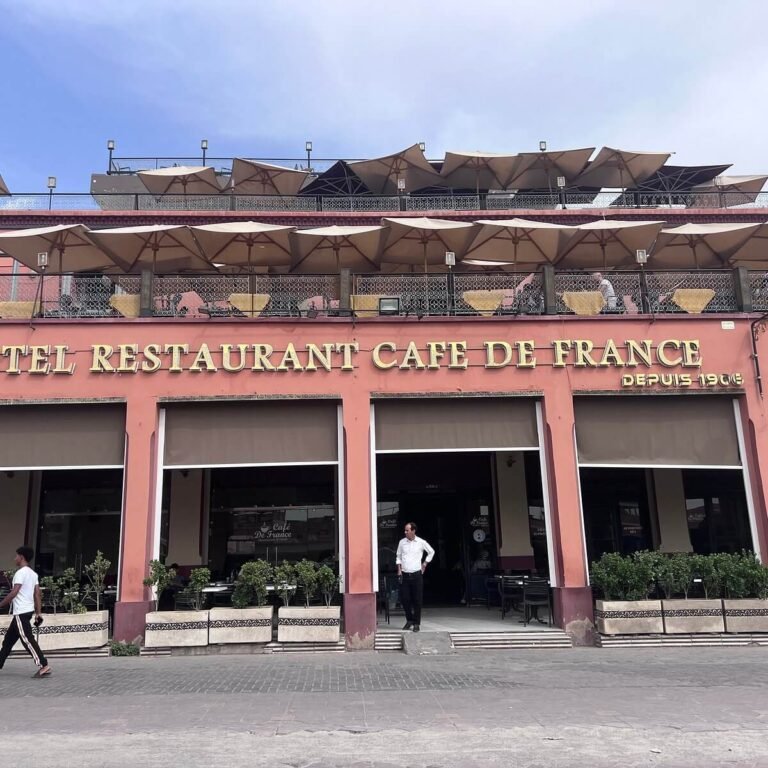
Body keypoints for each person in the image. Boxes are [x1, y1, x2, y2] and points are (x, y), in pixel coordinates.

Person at [0, 546, 51, 678]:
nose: (14, 558)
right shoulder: (33, 574)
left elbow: (14, 592)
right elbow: (37, 594)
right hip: (27, 611)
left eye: (16, 556)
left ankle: (43, 665)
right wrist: (38, 613)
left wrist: (1, 604)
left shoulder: (20, 573)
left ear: (22, 557)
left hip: (21, 612)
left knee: (27, 639)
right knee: (8, 641)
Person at [395, 522, 435, 633]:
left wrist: (425, 563)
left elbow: (431, 552)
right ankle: (409, 620)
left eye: (407, 530)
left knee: (417, 600)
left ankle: (416, 623)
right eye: (405, 530)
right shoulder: (402, 542)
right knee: (405, 599)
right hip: (404, 574)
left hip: (417, 574)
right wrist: (399, 569)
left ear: (413, 531)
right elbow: (398, 556)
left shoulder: (421, 542)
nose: (405, 532)